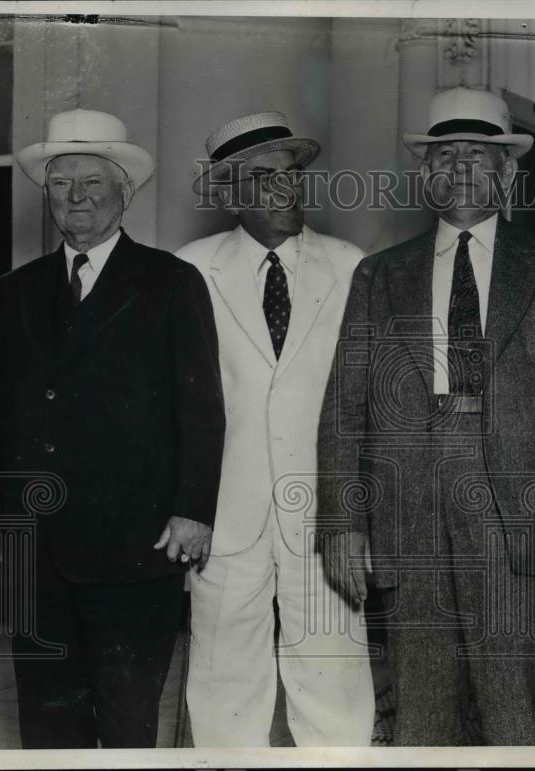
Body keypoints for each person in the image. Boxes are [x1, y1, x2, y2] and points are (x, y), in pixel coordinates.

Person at [317, 87, 535, 745]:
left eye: (477, 155)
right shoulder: (378, 275)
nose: (459, 168)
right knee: (421, 718)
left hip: (514, 520)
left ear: (508, 173)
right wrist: (342, 522)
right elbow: (345, 405)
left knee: (513, 713)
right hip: (410, 518)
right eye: (445, 155)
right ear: (425, 175)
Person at [0, 109, 226, 748]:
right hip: (34, 548)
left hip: (135, 547)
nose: (74, 198)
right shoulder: (12, 292)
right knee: (46, 722)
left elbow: (202, 409)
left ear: (123, 193)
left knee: (128, 719)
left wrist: (193, 511)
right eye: (59, 184)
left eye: (91, 183)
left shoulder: (170, 282)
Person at [177, 111, 375, 746]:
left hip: (326, 518)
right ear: (231, 191)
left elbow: (373, 402)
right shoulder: (190, 269)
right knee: (223, 686)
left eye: (292, 175)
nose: (285, 189)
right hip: (224, 517)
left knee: (333, 682)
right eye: (263, 178)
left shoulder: (352, 267)